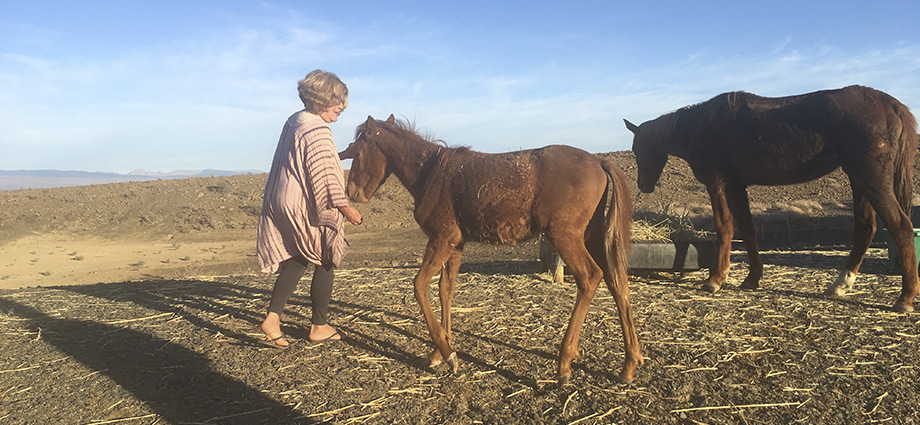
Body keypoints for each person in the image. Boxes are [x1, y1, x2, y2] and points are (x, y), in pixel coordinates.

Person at [256, 69, 362, 347]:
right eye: (338, 102)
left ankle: (273, 318)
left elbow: (310, 160)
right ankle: (319, 325)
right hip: (302, 202)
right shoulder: (318, 128)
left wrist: (343, 155)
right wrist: (345, 207)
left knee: (299, 257)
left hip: (280, 199)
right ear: (323, 99)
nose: (341, 108)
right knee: (326, 255)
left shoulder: (295, 121)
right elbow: (325, 175)